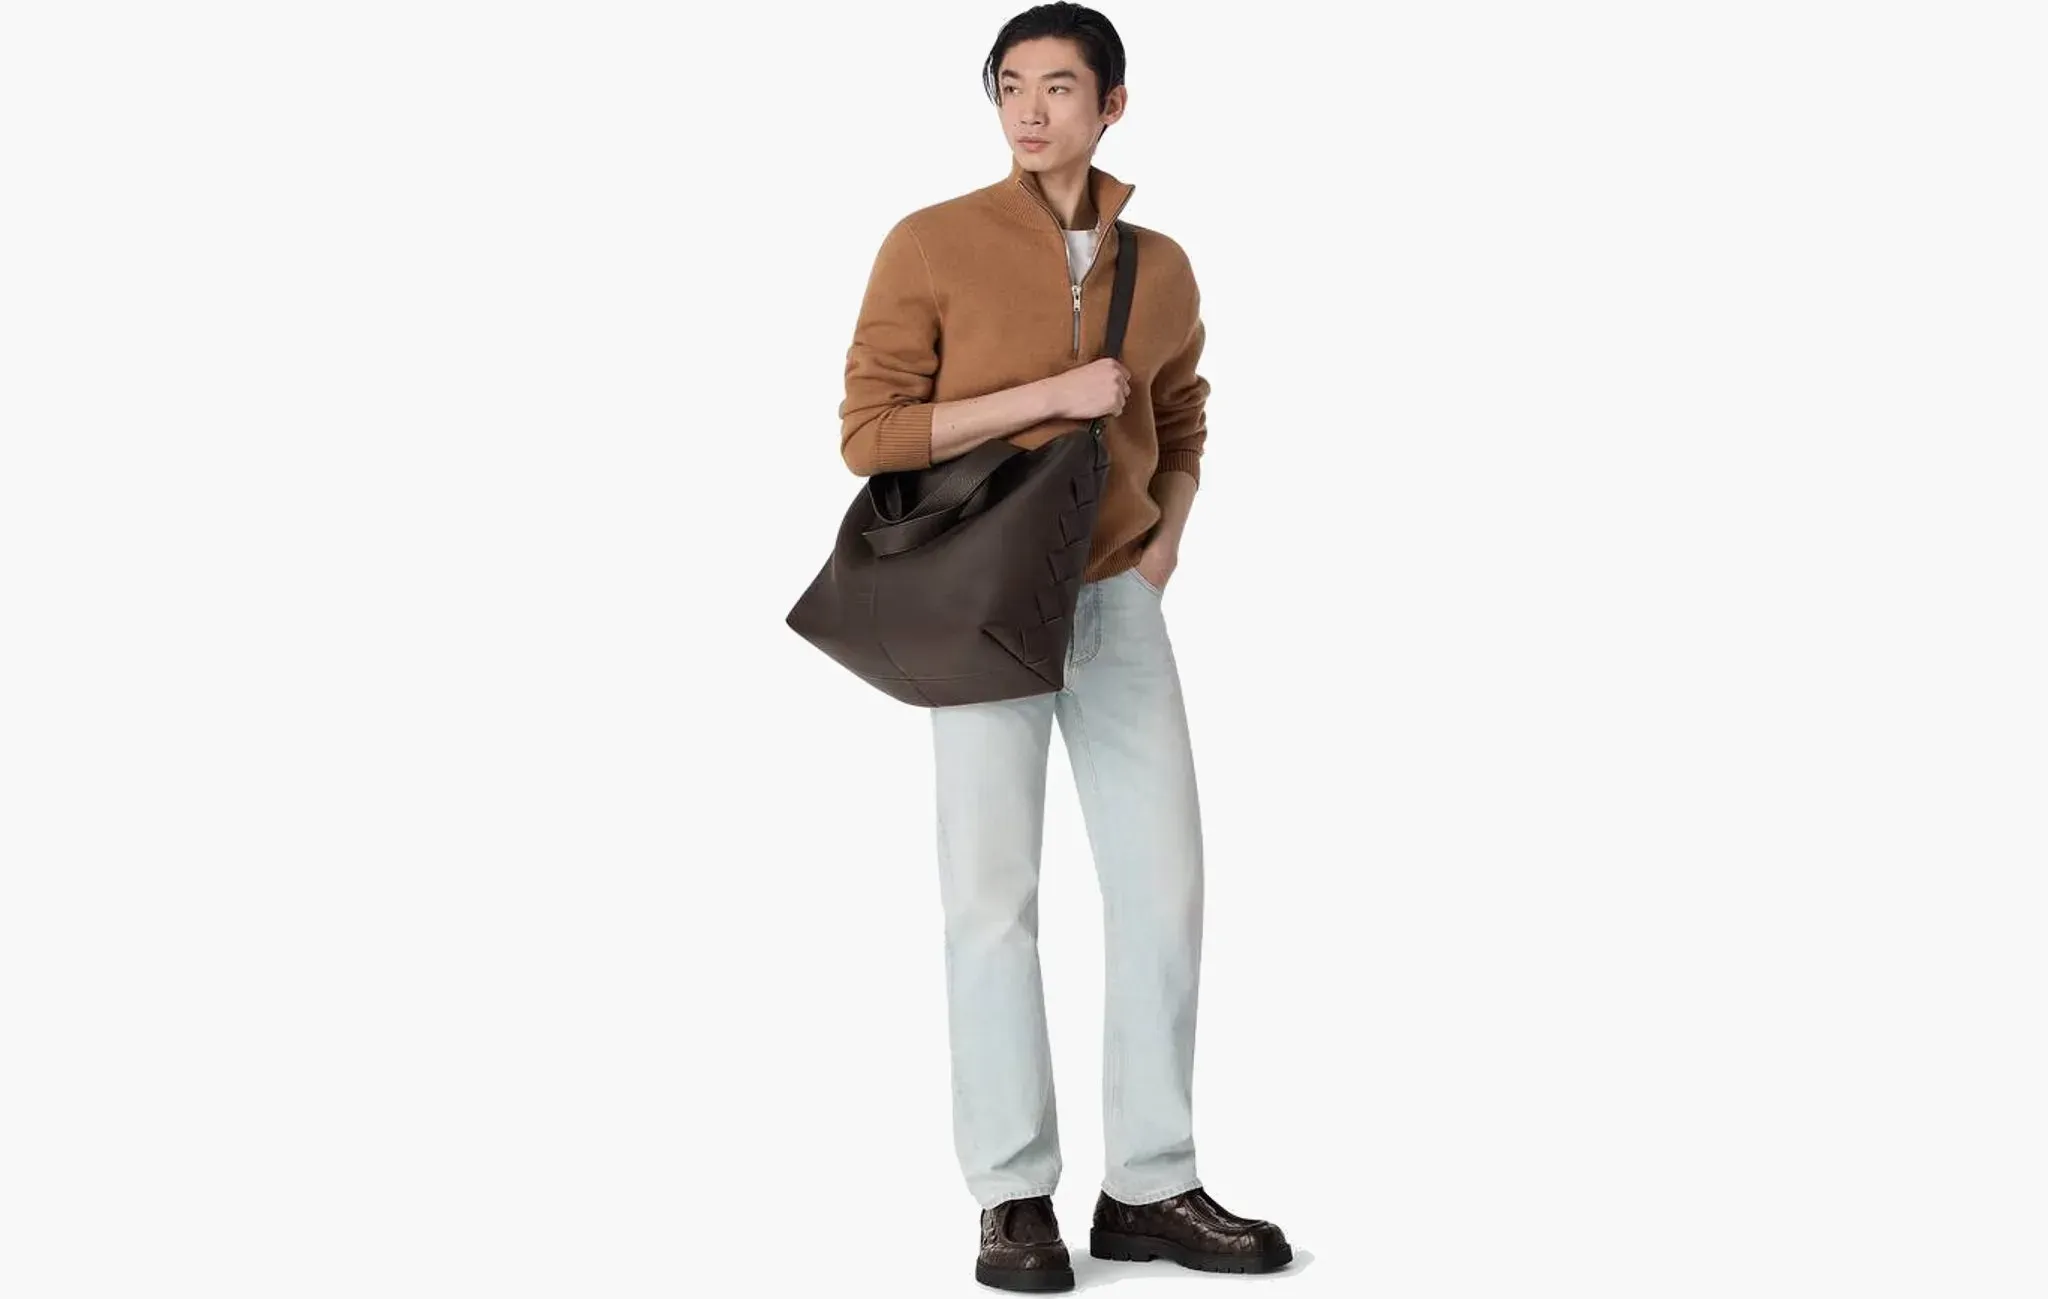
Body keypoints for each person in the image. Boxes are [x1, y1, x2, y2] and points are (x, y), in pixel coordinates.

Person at [836, 5, 1291, 1290]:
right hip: (980, 604)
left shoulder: (1164, 265)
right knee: (992, 902)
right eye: (1008, 87)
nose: (1029, 111)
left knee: (1162, 888)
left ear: (1112, 104)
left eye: (1056, 87)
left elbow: (1181, 417)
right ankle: (1011, 1195)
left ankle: (1149, 1185)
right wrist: (1047, 396)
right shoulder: (930, 241)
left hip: (1115, 598)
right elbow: (870, 432)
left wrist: (1165, 541)